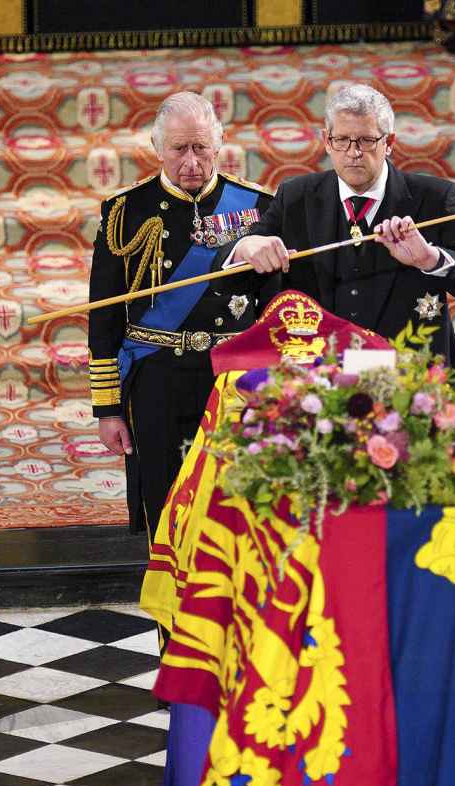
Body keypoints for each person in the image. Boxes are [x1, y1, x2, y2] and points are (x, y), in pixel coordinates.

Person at [89, 92, 272, 538]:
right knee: (165, 493)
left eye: (201, 148)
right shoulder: (124, 213)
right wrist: (108, 409)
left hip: (232, 378)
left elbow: (273, 309)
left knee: (234, 498)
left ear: (220, 143)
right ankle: (167, 603)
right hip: (157, 376)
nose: (191, 162)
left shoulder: (258, 209)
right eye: (179, 149)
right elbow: (105, 317)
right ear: (157, 148)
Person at [224, 83, 455, 368]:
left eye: (366, 140)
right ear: (326, 141)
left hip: (409, 374)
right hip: (319, 372)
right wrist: (246, 248)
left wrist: (429, 258)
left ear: (389, 143)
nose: (353, 152)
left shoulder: (434, 197)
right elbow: (235, 279)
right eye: (342, 140)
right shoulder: (295, 197)